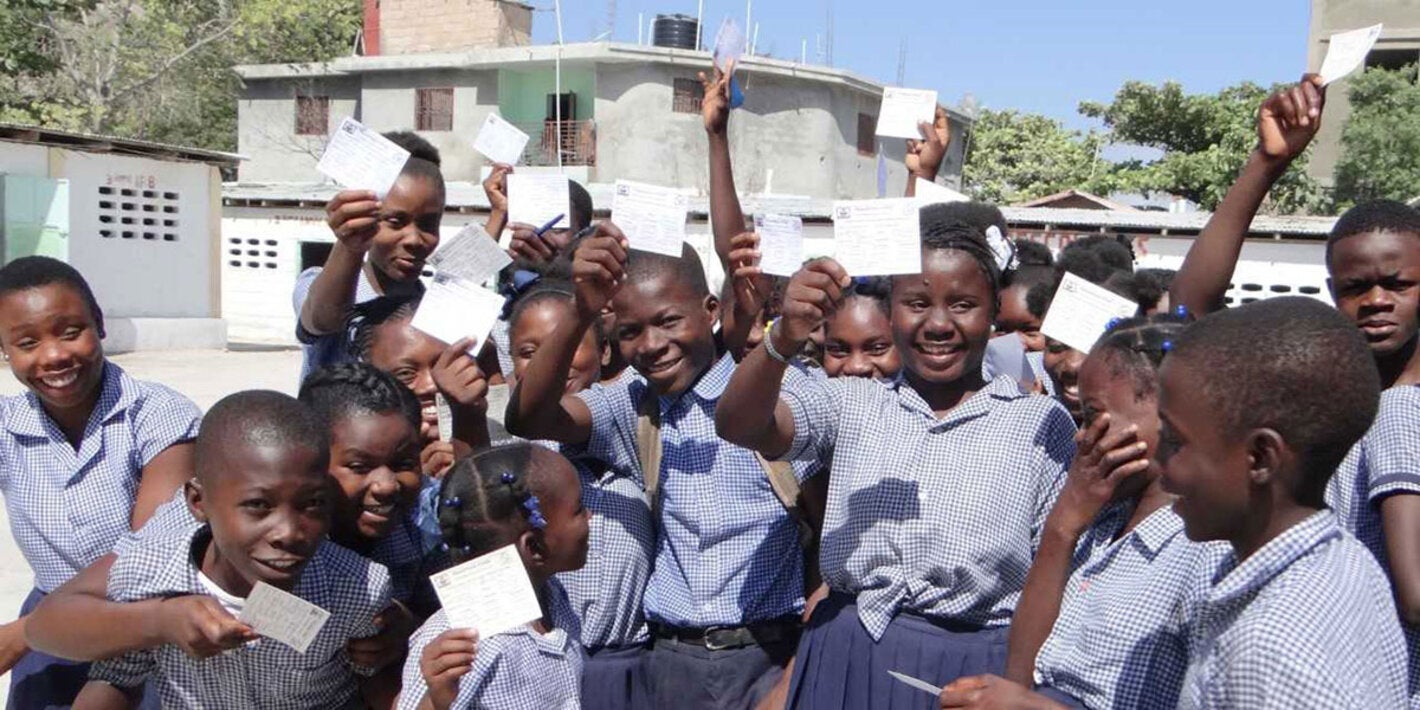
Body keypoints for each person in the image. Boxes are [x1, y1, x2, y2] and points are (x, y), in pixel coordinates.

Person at [715, 205, 1076, 710]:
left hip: (969, 674)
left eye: (964, 304)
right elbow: (739, 424)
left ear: (994, 309)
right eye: (917, 303)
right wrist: (784, 337)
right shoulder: (851, 400)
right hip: (843, 655)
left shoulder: (1040, 423)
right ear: (892, 312)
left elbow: (1053, 573)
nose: (938, 324)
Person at [506, 222, 813, 710]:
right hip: (669, 664)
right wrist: (581, 309)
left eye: (669, 321)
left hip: (768, 657)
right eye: (629, 332)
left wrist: (793, 677)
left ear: (710, 311)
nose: (650, 345)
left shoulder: (782, 395)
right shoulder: (636, 408)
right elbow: (529, 416)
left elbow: (828, 548)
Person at [940, 316, 1225, 709]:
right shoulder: (1101, 520)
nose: (1081, 434)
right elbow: (1022, 672)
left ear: (1168, 416)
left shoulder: (1204, 548)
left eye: (1093, 416)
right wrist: (1063, 526)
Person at [70, 391, 393, 709]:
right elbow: (116, 678)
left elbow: (374, 680)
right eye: (258, 505)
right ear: (199, 502)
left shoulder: (356, 588)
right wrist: (157, 623)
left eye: (312, 504)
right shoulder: (147, 580)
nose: (289, 533)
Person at [1161, 298, 1407, 707]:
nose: (1159, 465)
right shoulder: (1347, 557)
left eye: (1173, 441)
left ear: (1260, 457)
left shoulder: (1268, 650)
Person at [0, 256, 201, 708]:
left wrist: (28, 632)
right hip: (51, 636)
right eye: (27, 342)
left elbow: (149, 557)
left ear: (100, 325)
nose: (54, 355)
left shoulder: (159, 415)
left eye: (70, 331)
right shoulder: (6, 427)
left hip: (149, 627)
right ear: (5, 351)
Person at [506, 279, 656, 709]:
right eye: (530, 353)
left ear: (605, 352)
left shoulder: (634, 432)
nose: (550, 365)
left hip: (630, 669)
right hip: (543, 669)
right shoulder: (506, 464)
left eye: (568, 344)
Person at [397, 444, 589, 710]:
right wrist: (437, 699)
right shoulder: (460, 642)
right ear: (534, 547)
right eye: (579, 509)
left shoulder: (554, 597)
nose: (590, 516)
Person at [1322, 199, 1420, 701]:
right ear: (1332, 293)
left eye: (1398, 284)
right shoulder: (1350, 405)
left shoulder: (1402, 411)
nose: (1377, 300)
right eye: (1355, 288)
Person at [293, 132, 445, 383]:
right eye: (396, 222)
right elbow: (324, 318)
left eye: (429, 224)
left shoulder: (430, 307)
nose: (415, 239)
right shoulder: (317, 285)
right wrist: (350, 245)